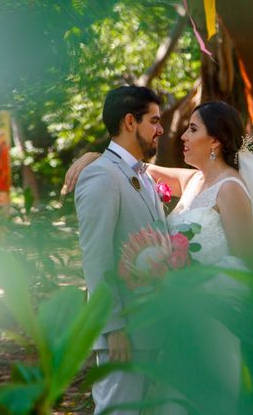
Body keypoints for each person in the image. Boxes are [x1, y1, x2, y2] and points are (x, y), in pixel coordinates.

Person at [66, 100, 253, 413]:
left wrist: (188, 281)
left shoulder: (231, 188)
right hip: (178, 324)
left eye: (193, 129)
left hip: (214, 322)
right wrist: (93, 155)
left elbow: (246, 269)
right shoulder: (192, 180)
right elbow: (130, 166)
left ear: (215, 140)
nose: (182, 137)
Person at [74, 85, 166, 415]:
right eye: (154, 121)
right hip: (123, 331)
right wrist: (112, 327)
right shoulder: (101, 175)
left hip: (150, 326)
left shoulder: (142, 175)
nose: (161, 129)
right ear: (130, 122)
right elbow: (96, 258)